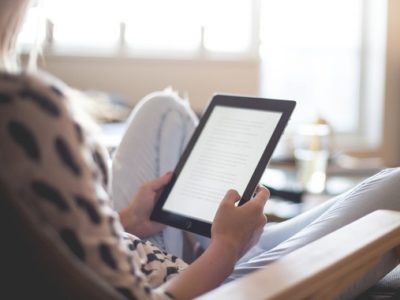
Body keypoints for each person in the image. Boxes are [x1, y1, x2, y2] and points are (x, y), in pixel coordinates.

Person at [0, 1, 399, 299]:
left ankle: (230, 239)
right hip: (200, 287)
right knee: (394, 188)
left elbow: (57, 244)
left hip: (145, 252)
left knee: (164, 109)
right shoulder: (23, 109)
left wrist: (126, 221)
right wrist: (224, 250)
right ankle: (233, 244)